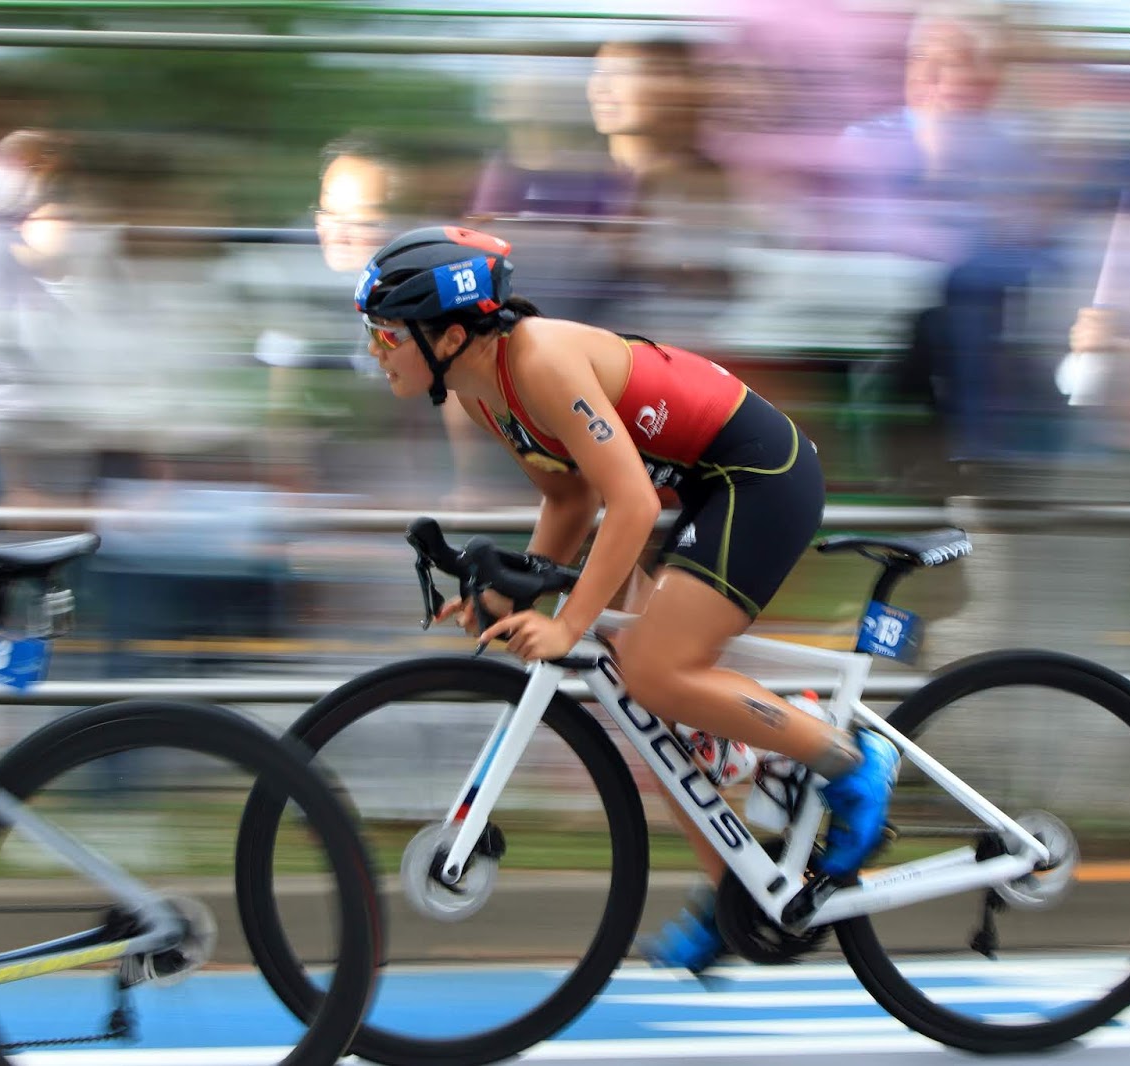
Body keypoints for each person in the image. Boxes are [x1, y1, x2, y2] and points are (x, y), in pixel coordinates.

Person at [354, 225, 900, 973]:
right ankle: (739, 892)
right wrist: (511, 596)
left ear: (449, 336)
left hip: (757, 478)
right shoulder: (484, 394)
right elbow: (570, 499)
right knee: (639, 697)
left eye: (387, 335)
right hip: (697, 489)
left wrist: (567, 622)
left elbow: (632, 503)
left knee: (654, 669)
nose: (376, 350)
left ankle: (849, 759)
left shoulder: (539, 360)